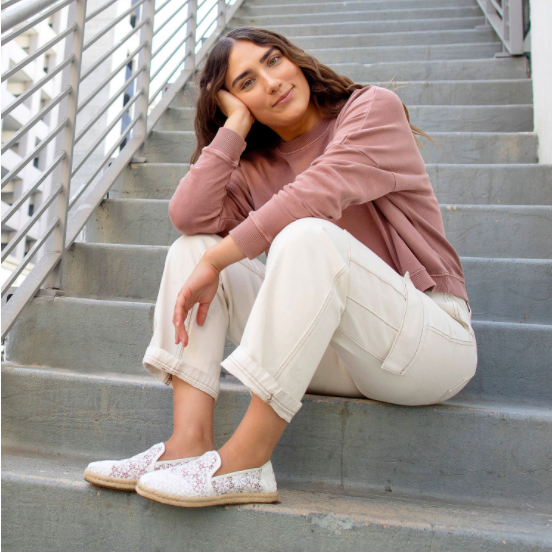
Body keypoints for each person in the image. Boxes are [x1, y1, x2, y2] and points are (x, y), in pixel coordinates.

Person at [83, 27, 477, 508]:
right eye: (246, 83)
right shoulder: (257, 165)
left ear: (294, 59)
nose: (270, 82)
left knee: (305, 234)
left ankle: (248, 461)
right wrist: (234, 130)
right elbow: (189, 215)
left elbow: (317, 193)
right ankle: (187, 441)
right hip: (329, 352)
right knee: (192, 246)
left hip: (427, 343)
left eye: (273, 61)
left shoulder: (372, 109)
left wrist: (219, 258)